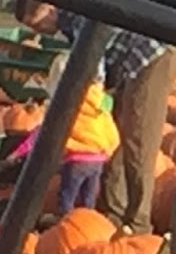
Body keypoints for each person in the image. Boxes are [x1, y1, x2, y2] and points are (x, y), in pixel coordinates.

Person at [14, 0, 176, 235]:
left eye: (38, 25)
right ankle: (113, 213)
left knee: (138, 135)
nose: (39, 32)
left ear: (48, 7)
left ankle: (138, 224)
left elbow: (94, 65)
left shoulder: (78, 15)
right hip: (126, 61)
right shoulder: (68, 24)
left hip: (151, 50)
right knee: (118, 132)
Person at [9, 58, 120, 219]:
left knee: (67, 197)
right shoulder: (101, 104)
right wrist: (108, 151)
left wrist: (18, 153)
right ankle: (87, 224)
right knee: (88, 200)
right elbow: (111, 131)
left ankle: (64, 222)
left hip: (76, 161)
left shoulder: (67, 106)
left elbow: (42, 134)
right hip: (97, 161)